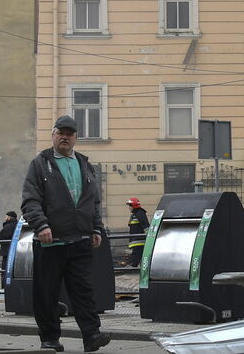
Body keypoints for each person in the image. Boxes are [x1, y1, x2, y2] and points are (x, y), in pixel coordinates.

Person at [21, 115, 110, 353]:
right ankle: (50, 339)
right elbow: (30, 200)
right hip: (50, 241)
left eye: (69, 134)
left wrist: (96, 228)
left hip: (80, 240)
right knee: (46, 293)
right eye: (60, 133)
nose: (65, 137)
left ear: (75, 138)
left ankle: (92, 335)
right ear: (53, 135)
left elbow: (93, 202)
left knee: (84, 291)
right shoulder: (40, 164)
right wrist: (41, 226)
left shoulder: (84, 164)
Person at [125, 198, 149, 267]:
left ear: (134, 205)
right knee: (137, 254)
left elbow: (145, 225)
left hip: (139, 240)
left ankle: (131, 267)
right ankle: (131, 266)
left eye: (130, 206)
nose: (129, 208)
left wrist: (149, 237)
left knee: (136, 255)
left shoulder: (140, 213)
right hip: (136, 239)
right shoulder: (135, 214)